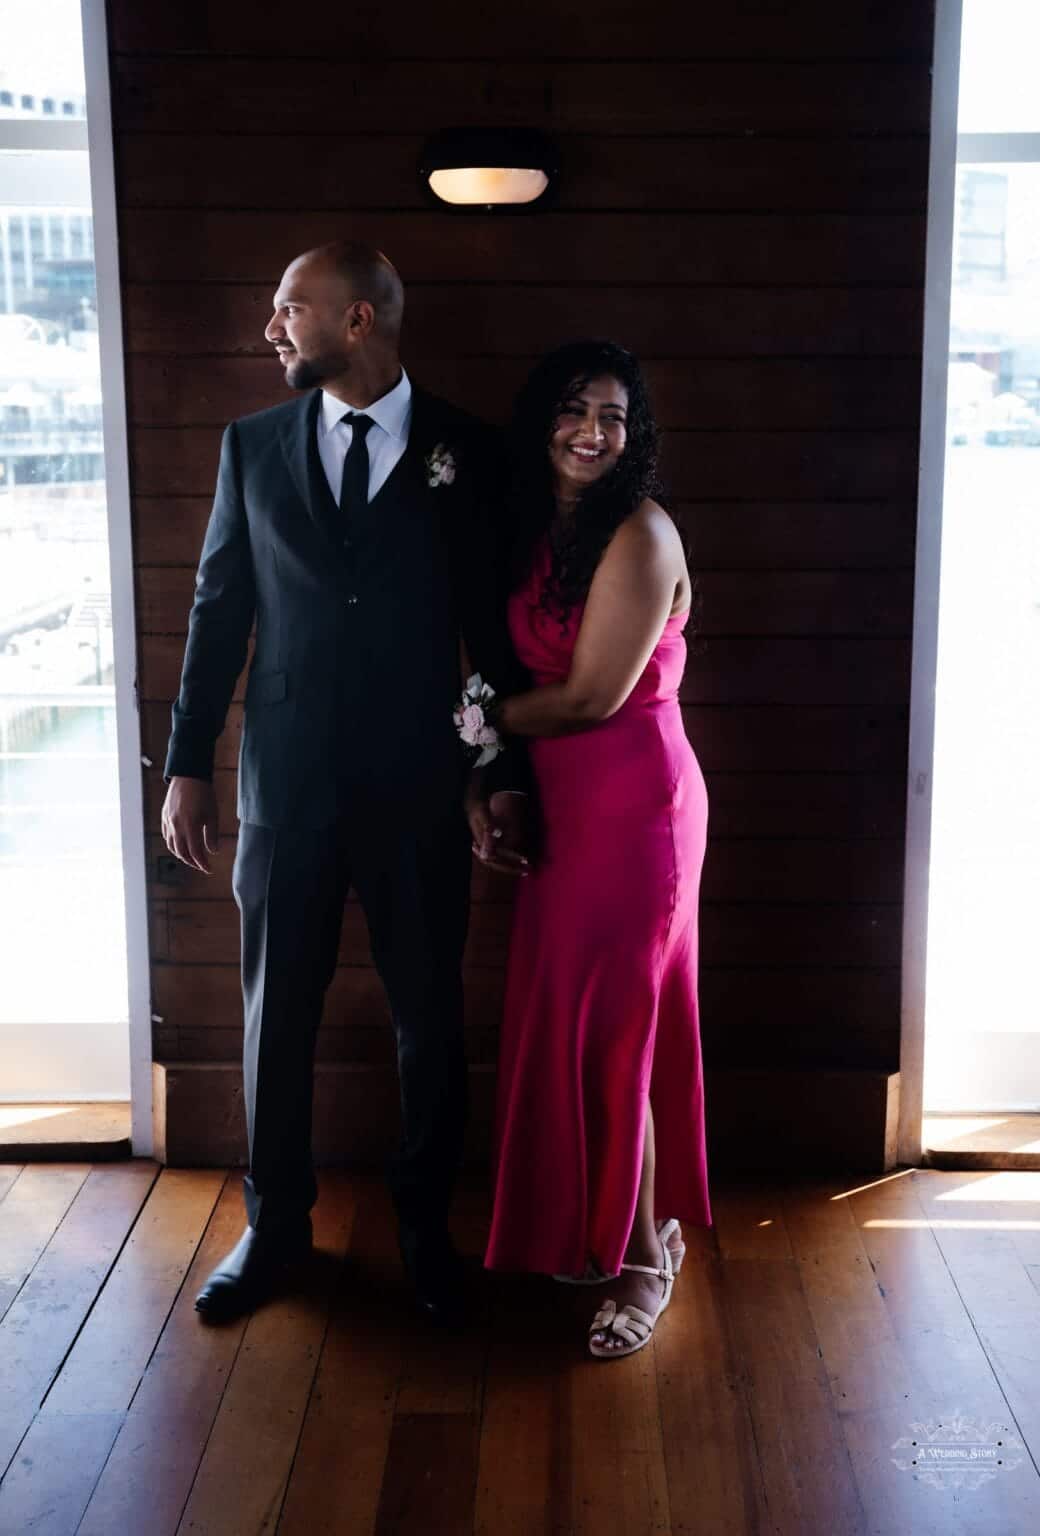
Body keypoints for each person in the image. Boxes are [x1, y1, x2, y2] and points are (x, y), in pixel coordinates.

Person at [161, 240, 529, 1327]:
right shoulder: (251, 447)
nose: (272, 328)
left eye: (291, 308)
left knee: (428, 1020)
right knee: (275, 1017)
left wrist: (497, 771)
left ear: (359, 319)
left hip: (422, 788)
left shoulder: (468, 448)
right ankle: (273, 1231)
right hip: (287, 788)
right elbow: (217, 612)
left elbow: (492, 634)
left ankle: (425, 1235)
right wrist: (187, 763)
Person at [477, 340, 713, 1359]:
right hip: (572, 811)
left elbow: (587, 697)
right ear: (543, 421)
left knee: (619, 1037)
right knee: (577, 1027)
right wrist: (494, 770)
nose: (591, 432)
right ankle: (599, 1226)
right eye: (575, 411)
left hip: (637, 816)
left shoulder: (639, 534)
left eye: (612, 416)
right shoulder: (543, 531)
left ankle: (645, 1261)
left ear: (633, 434)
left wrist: (467, 728)